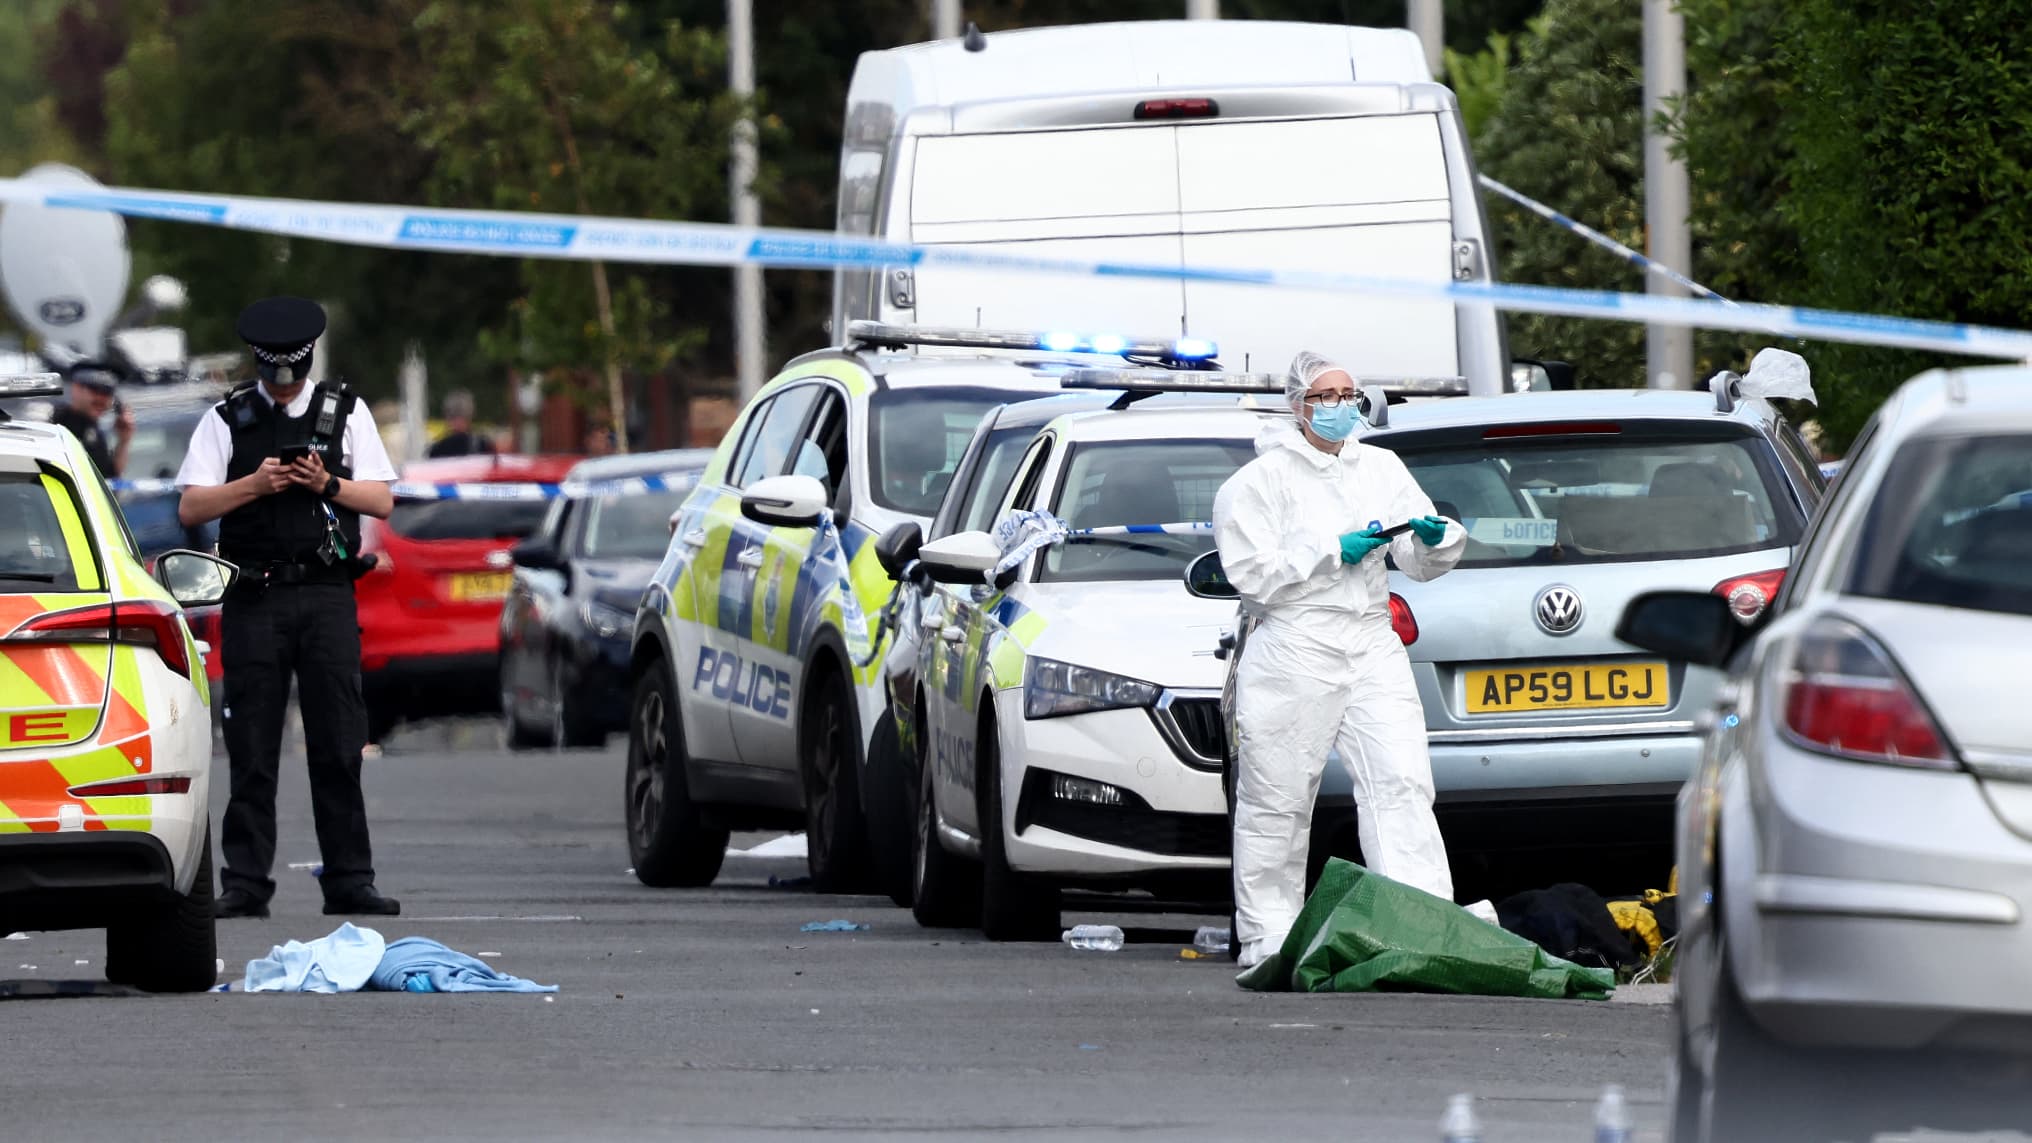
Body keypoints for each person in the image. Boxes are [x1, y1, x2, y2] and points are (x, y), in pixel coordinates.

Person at [1211, 351, 1469, 970]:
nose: (1338, 407)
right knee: (1279, 794)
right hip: (1296, 643)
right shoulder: (1258, 483)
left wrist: (1436, 540)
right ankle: (1268, 937)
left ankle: (1422, 926)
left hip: (1371, 637)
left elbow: (1416, 553)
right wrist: (1331, 552)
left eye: (1348, 394)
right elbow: (1252, 578)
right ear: (1297, 405)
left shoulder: (1379, 465)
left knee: (1400, 781)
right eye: (1324, 396)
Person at [174, 296, 402, 919]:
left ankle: (351, 878)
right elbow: (191, 508)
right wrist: (257, 484)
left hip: (327, 594)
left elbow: (381, 501)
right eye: (275, 376)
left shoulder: (345, 413)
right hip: (255, 597)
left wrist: (325, 484)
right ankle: (246, 882)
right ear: (260, 364)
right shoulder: (227, 420)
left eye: (292, 377)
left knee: (338, 743)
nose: (284, 388)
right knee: (251, 747)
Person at [48, 361, 133, 479]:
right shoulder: (57, 425)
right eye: (95, 390)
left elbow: (110, 476)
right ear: (76, 388)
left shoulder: (94, 430)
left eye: (108, 393)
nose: (101, 399)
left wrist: (124, 440)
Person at [426, 389, 493, 458]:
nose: (457, 422)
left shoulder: (437, 448)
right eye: (453, 417)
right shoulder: (482, 444)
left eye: (461, 417)